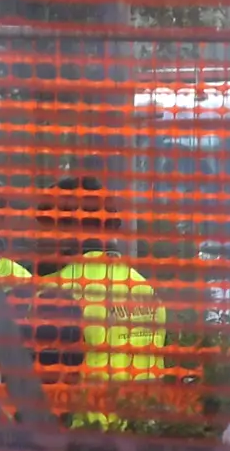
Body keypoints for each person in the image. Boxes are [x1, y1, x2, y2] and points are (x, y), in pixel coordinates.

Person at [32, 175, 168, 429]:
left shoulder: (52, 292)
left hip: (83, 446)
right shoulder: (146, 290)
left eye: (46, 227)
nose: (40, 239)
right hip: (141, 441)